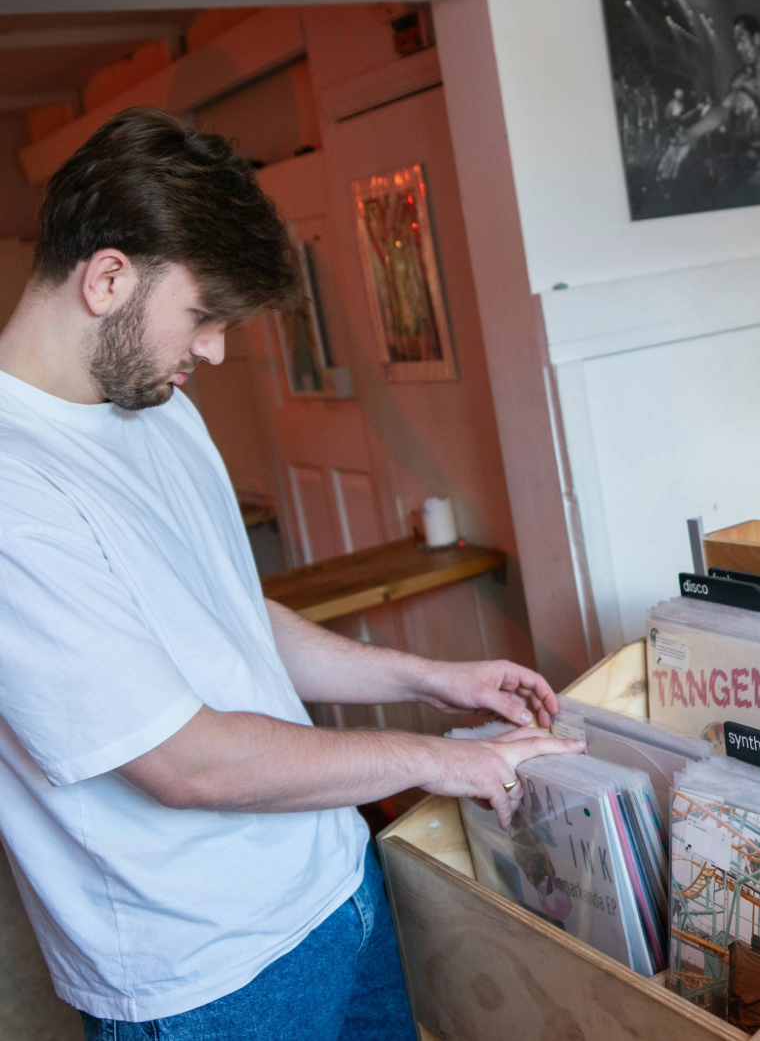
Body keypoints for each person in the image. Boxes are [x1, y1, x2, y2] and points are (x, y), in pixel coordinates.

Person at [0, 107, 585, 1039]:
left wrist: (430, 679)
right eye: (203, 317)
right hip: (207, 978)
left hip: (335, 882)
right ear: (108, 277)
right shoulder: (15, 489)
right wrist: (450, 761)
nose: (216, 351)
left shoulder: (157, 410)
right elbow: (183, 762)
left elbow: (236, 618)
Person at [657, 12, 760, 202]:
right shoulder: (743, 80)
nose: (738, 48)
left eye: (742, 40)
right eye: (736, 43)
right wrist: (691, 133)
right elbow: (722, 110)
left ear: (756, 39)